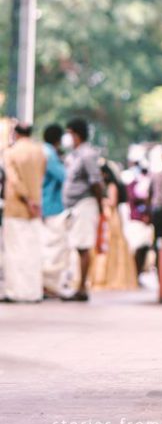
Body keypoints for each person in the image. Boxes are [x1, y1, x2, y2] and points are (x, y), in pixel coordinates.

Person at [62, 118, 104, 302]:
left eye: (70, 133)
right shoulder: (76, 155)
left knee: (84, 246)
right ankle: (79, 286)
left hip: (85, 204)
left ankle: (82, 288)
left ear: (76, 134)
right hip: (77, 205)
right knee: (79, 247)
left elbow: (96, 182)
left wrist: (100, 205)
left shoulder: (87, 154)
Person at [3, 122, 46, 302]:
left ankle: (16, 292)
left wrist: (27, 199)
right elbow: (41, 177)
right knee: (33, 251)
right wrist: (34, 201)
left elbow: (13, 179)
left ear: (16, 134)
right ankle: (34, 292)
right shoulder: (40, 152)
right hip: (35, 208)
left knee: (14, 251)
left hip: (16, 208)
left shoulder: (10, 153)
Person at [90, 161, 138, 291]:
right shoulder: (106, 185)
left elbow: (112, 202)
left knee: (112, 243)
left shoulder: (111, 186)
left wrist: (101, 200)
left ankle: (112, 277)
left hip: (111, 217)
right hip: (107, 216)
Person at [41, 123, 70, 299]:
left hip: (42, 204)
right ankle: (49, 285)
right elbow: (64, 176)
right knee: (53, 249)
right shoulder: (50, 154)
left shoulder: (41, 151)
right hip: (52, 206)